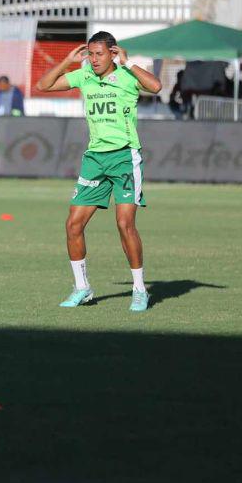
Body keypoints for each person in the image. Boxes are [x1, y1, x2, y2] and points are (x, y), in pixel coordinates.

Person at [35, 31, 162, 312]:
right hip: (94, 159)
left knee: (124, 223)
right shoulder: (84, 76)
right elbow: (43, 85)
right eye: (90, 54)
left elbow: (155, 86)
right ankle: (83, 288)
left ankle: (140, 290)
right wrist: (67, 60)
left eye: (99, 54)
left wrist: (128, 63)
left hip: (125, 158)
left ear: (113, 53)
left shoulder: (128, 76)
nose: (93, 59)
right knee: (73, 225)